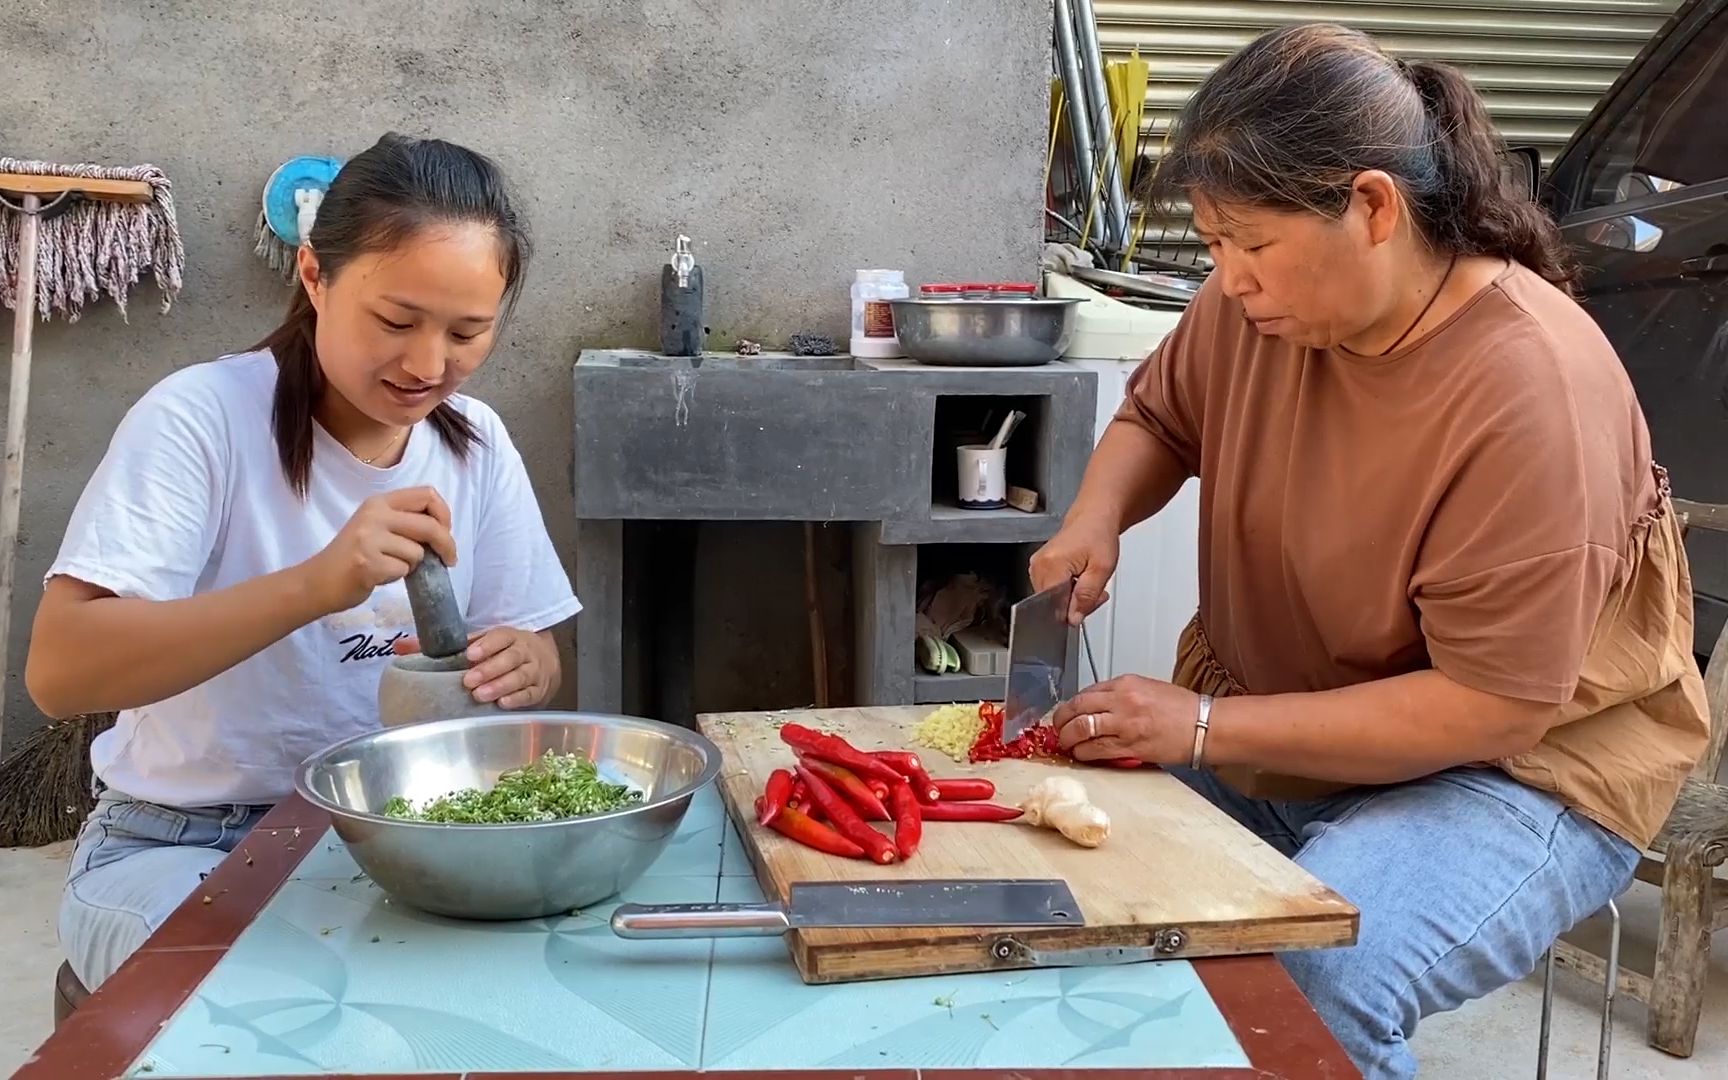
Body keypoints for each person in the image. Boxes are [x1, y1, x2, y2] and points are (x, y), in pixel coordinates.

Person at [1031, 24, 1709, 1080]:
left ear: (1374, 207)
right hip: (1277, 721)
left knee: (1320, 968)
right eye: (1213, 247)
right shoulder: (1248, 307)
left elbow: (1489, 705)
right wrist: (1093, 518)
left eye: (1249, 245)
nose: (1230, 278)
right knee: (1065, 881)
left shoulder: (1532, 392)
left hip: (1510, 770)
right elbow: (1159, 422)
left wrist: (1205, 725)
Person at [26, 132, 581, 991]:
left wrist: (529, 664)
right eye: (396, 321)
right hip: (183, 842)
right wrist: (318, 585)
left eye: (468, 332)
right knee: (292, 1002)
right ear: (315, 276)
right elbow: (61, 673)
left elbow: (533, 647)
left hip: (399, 833)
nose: (429, 365)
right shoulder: (200, 420)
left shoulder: (478, 445)